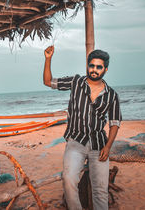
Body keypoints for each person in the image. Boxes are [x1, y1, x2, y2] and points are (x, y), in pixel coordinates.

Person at [43, 46, 122, 210]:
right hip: (76, 142)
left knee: (100, 190)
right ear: (87, 66)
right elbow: (48, 82)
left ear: (105, 69)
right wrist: (48, 59)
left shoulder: (111, 95)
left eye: (99, 67)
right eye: (91, 65)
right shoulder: (76, 82)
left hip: (99, 146)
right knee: (69, 179)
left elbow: (115, 123)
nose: (94, 70)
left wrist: (108, 147)